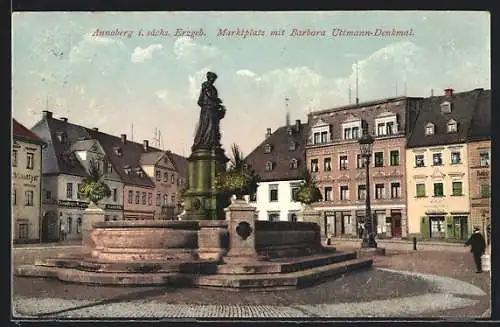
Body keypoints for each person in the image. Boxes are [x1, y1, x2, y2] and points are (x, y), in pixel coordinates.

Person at [193, 71, 226, 149]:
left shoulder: (213, 88)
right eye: (212, 78)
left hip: (213, 108)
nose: (213, 80)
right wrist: (217, 100)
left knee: (213, 126)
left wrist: (219, 106)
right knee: (208, 124)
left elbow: (213, 98)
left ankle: (212, 141)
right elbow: (209, 95)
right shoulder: (206, 86)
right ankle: (206, 141)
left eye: (214, 79)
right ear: (209, 78)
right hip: (207, 108)